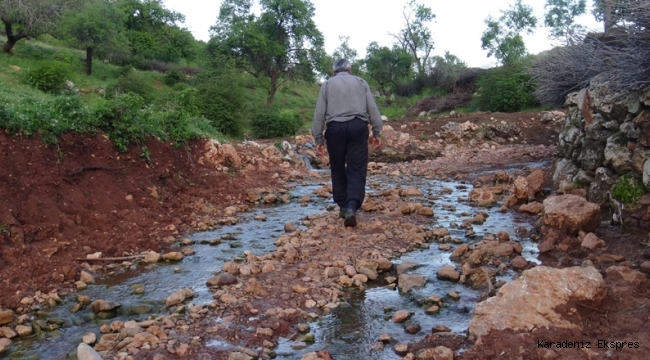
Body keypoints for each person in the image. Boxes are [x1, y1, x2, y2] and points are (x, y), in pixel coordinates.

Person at [311, 59, 383, 227]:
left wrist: (318, 140)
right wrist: (377, 131)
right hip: (358, 127)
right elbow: (372, 108)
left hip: (335, 128)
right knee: (356, 168)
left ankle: (343, 206)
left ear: (334, 72)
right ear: (350, 70)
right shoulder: (360, 82)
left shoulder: (327, 85)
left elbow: (319, 113)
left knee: (337, 167)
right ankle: (352, 206)